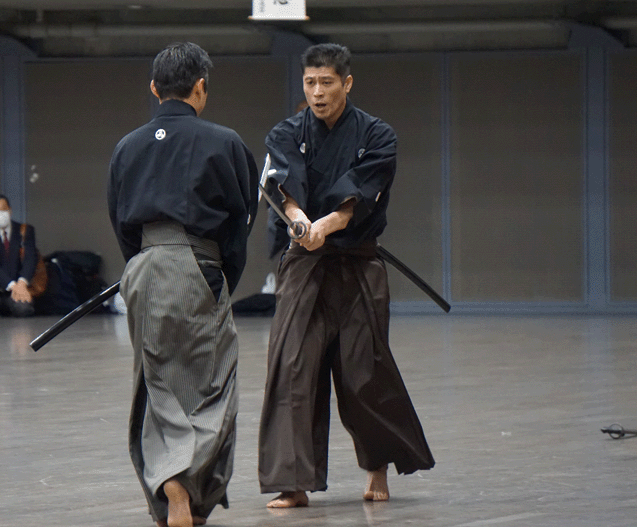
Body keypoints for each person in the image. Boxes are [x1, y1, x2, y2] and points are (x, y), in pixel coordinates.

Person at [258, 43, 435, 509]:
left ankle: (377, 468)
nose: (317, 92)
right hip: (304, 263)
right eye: (310, 83)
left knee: (363, 371)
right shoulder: (286, 132)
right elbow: (281, 188)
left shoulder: (377, 135)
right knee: (291, 366)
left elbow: (359, 195)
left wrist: (326, 225)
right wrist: (299, 221)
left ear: (347, 83)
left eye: (327, 82)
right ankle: (293, 481)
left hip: (356, 261)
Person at [107, 42, 258, 527]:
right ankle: (184, 480)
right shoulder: (225, 142)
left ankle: (165, 486)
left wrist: (142, 266)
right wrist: (221, 276)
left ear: (154, 89)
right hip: (200, 265)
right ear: (201, 87)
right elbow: (240, 220)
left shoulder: (127, 146)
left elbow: (119, 220)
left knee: (155, 382)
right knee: (215, 383)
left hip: (142, 267)